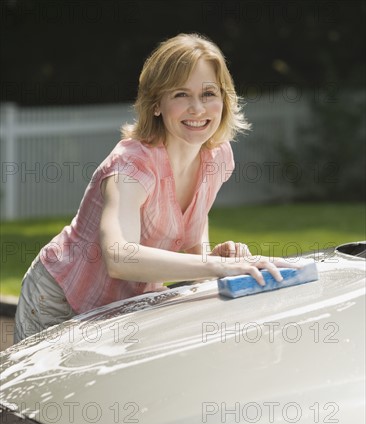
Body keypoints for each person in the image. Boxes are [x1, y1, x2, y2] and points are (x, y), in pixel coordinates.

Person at [14, 33, 293, 343]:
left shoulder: (218, 157)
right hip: (59, 302)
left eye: (209, 93)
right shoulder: (131, 166)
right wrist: (219, 266)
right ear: (156, 104)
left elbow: (193, 220)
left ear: (224, 99)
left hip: (124, 309)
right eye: (180, 95)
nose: (198, 108)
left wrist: (206, 256)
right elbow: (119, 257)